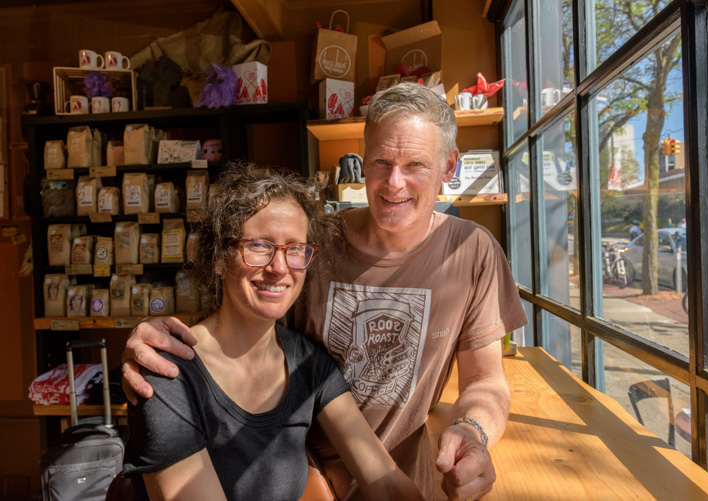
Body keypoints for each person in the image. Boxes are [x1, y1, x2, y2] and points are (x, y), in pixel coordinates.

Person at [122, 83, 528, 500]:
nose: (394, 183)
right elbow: (239, 322)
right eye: (381, 161)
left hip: (401, 478)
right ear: (362, 160)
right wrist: (153, 340)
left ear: (449, 165)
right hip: (303, 484)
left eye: (415, 164)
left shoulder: (471, 251)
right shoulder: (313, 241)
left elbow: (485, 380)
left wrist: (472, 430)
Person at [123, 163, 423, 501]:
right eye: (259, 245)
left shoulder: (310, 365)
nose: (279, 268)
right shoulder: (167, 373)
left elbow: (385, 482)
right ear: (219, 258)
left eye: (295, 249)